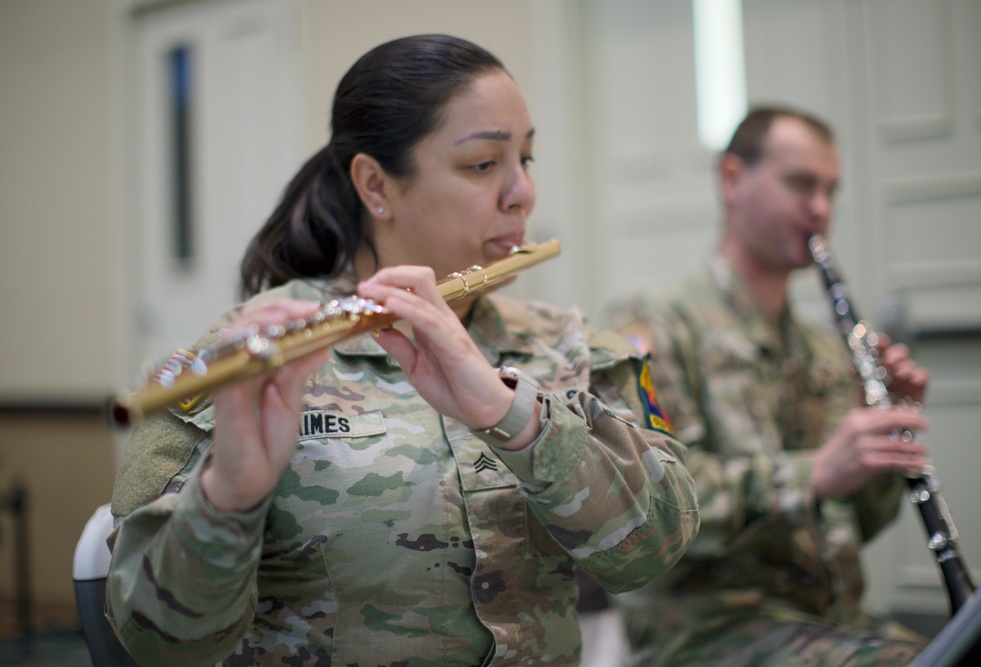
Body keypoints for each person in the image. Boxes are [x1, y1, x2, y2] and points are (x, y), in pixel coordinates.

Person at [106, 34, 699, 667]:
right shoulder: (249, 356)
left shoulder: (575, 347)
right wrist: (228, 496)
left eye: (526, 158)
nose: (521, 192)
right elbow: (153, 640)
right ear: (375, 186)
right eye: (482, 165)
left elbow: (655, 553)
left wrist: (515, 417)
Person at [603, 106, 932, 666]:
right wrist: (814, 472)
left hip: (834, 623)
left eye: (831, 190)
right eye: (801, 184)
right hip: (710, 632)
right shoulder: (655, 325)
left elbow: (862, 524)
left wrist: (886, 447)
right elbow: (651, 511)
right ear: (733, 180)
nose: (821, 209)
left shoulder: (823, 348)